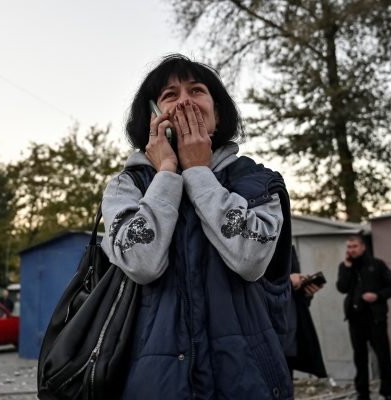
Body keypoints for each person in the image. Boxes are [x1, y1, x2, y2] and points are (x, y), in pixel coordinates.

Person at [101, 54, 293, 400]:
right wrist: (166, 175)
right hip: (154, 385)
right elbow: (141, 263)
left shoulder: (258, 181)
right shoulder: (125, 187)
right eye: (170, 95)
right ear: (153, 119)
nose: (185, 100)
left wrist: (199, 174)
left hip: (247, 381)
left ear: (217, 116)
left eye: (197, 90)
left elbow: (251, 259)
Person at [336, 235, 391, 400]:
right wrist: (348, 268)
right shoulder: (345, 266)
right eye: (348, 247)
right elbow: (342, 288)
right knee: (360, 357)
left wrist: (377, 296)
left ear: (363, 247)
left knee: (383, 355)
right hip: (355, 319)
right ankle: (362, 393)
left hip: (375, 318)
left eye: (354, 246)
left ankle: (388, 392)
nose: (351, 250)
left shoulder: (377, 265)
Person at [286, 246, 327, 379]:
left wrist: (306, 294)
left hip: (290, 337)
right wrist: (288, 282)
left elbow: (294, 297)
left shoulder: (288, 248)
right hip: (270, 337)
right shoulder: (257, 243)